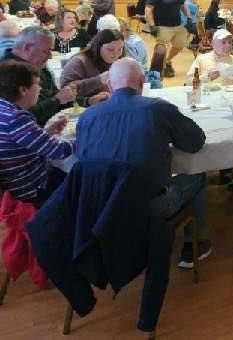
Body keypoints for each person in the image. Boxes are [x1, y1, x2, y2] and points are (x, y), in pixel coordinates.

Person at [74, 58, 211, 269]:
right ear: (141, 82)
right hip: (148, 205)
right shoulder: (157, 109)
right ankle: (195, 245)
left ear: (109, 85)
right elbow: (195, 142)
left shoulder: (87, 116)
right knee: (198, 175)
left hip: (98, 205)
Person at [0, 60, 73, 204]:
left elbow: (14, 143)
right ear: (23, 90)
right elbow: (60, 152)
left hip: (0, 186)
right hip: (25, 190)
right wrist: (80, 135)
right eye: (37, 84)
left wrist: (46, 132)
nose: (40, 89)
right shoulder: (16, 118)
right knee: (80, 179)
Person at [0, 26, 77, 124]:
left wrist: (73, 98)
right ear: (27, 48)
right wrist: (57, 100)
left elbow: (55, 97)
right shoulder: (0, 75)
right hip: (6, 139)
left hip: (43, 128)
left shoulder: (38, 67)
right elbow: (18, 119)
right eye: (46, 51)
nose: (50, 56)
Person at [59, 29, 124, 106]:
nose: (116, 54)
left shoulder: (119, 61)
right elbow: (65, 91)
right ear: (98, 46)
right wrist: (98, 80)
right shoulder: (79, 62)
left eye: (120, 49)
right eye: (110, 49)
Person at [145, 0, 189, 78]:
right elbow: (148, 8)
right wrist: (152, 25)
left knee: (180, 45)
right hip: (163, 26)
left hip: (178, 26)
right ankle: (157, 72)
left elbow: (182, 5)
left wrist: (189, 17)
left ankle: (167, 61)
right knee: (161, 49)